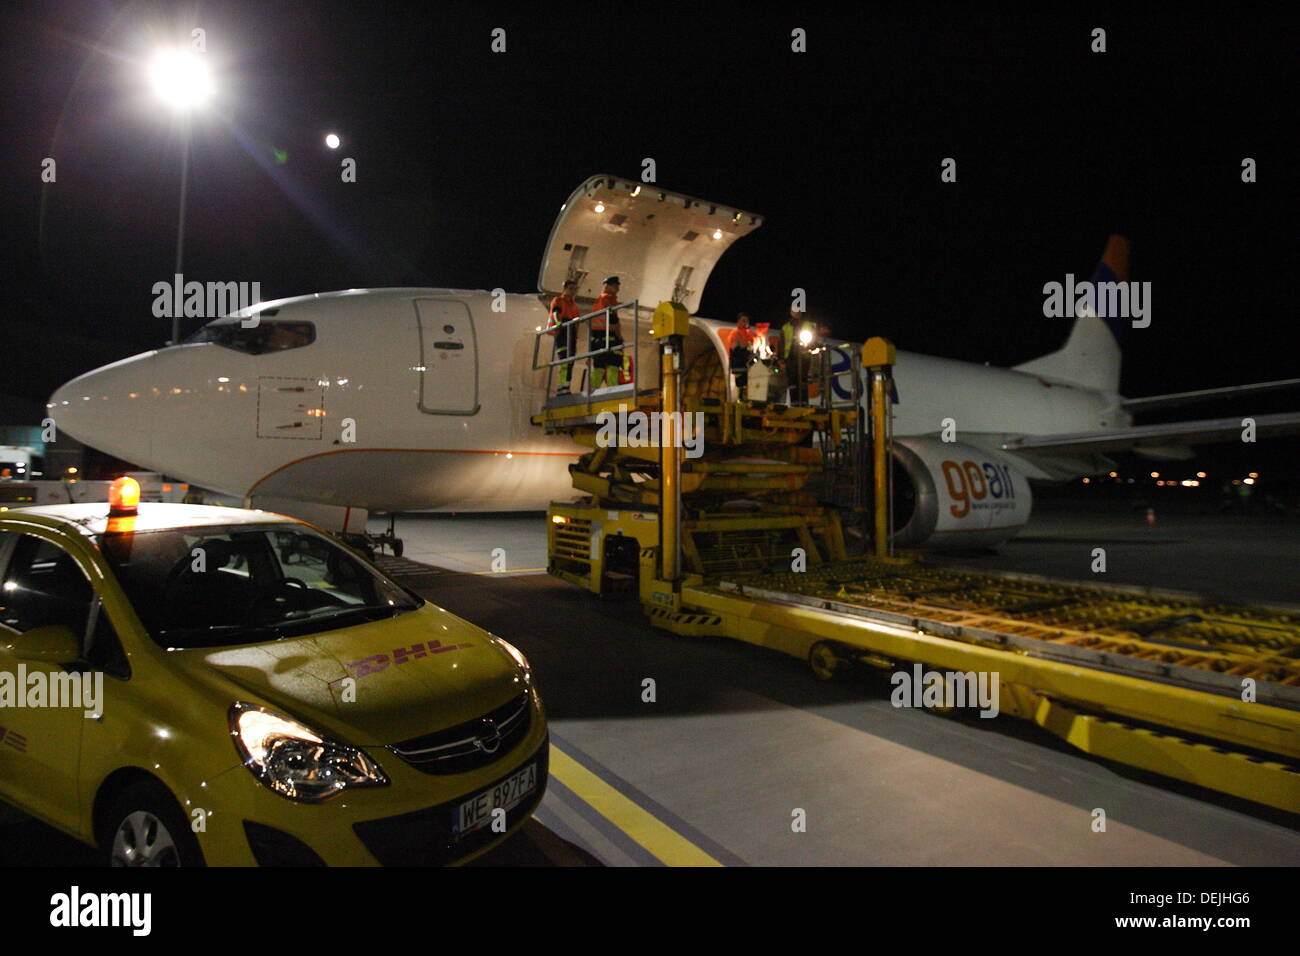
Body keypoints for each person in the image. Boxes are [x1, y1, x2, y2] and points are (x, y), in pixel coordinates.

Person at [547, 279, 581, 394]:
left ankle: (566, 386)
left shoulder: (574, 305)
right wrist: (558, 324)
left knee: (570, 360)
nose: (573, 291)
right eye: (571, 288)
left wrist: (576, 334)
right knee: (564, 360)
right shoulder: (559, 300)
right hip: (562, 332)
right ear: (565, 288)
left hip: (571, 332)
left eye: (575, 289)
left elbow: (577, 321)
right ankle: (561, 388)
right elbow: (556, 313)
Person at [590, 276, 623, 389]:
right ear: (608, 286)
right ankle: (614, 392)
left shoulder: (600, 300)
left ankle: (592, 391)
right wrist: (620, 337)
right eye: (616, 286)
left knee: (599, 366)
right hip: (610, 338)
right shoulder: (607, 299)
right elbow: (613, 321)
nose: (618, 288)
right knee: (613, 365)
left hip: (598, 339)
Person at [781, 308, 815, 403]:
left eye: (798, 310)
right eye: (794, 310)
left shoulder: (808, 325)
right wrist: (781, 359)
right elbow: (782, 344)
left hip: (804, 357)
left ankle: (804, 403)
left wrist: (810, 345)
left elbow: (814, 340)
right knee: (792, 382)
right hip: (790, 358)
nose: (796, 312)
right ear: (791, 312)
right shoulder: (786, 327)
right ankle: (794, 403)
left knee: (803, 381)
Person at [729, 312, 757, 401]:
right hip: (739, 364)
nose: (746, 322)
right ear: (739, 321)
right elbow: (734, 349)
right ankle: (739, 401)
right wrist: (746, 352)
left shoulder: (749, 334)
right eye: (743, 320)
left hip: (747, 364)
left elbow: (750, 348)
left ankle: (745, 400)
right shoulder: (735, 333)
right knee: (740, 385)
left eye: (747, 321)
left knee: (747, 384)